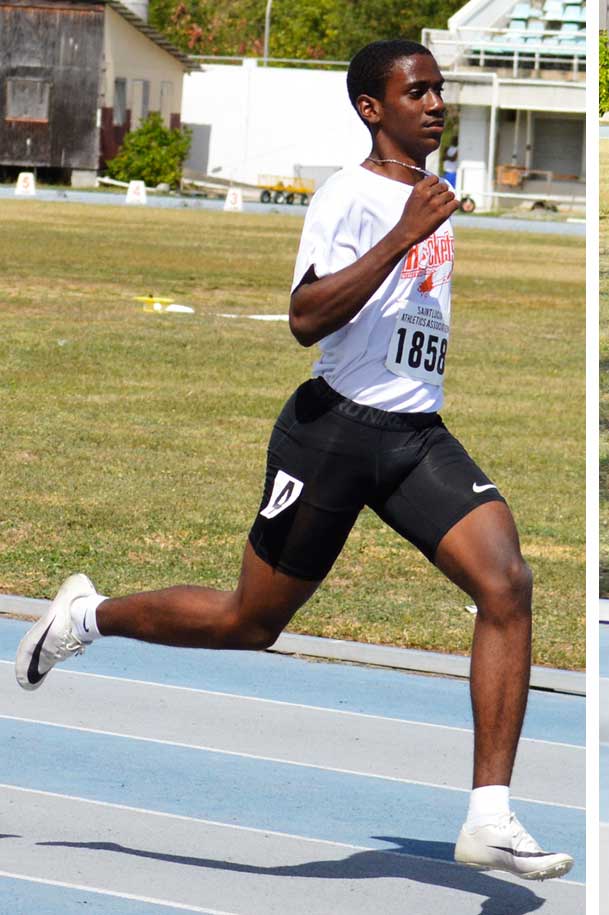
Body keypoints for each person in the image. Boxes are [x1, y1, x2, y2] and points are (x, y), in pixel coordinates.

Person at [17, 38, 572, 882]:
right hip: (332, 434)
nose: (435, 103)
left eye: (439, 90)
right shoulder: (350, 196)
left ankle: (488, 815)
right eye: (416, 92)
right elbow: (306, 317)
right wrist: (402, 236)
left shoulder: (431, 191)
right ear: (371, 109)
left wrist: (423, 218)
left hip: (416, 435)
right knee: (252, 621)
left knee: (507, 583)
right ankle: (83, 618)